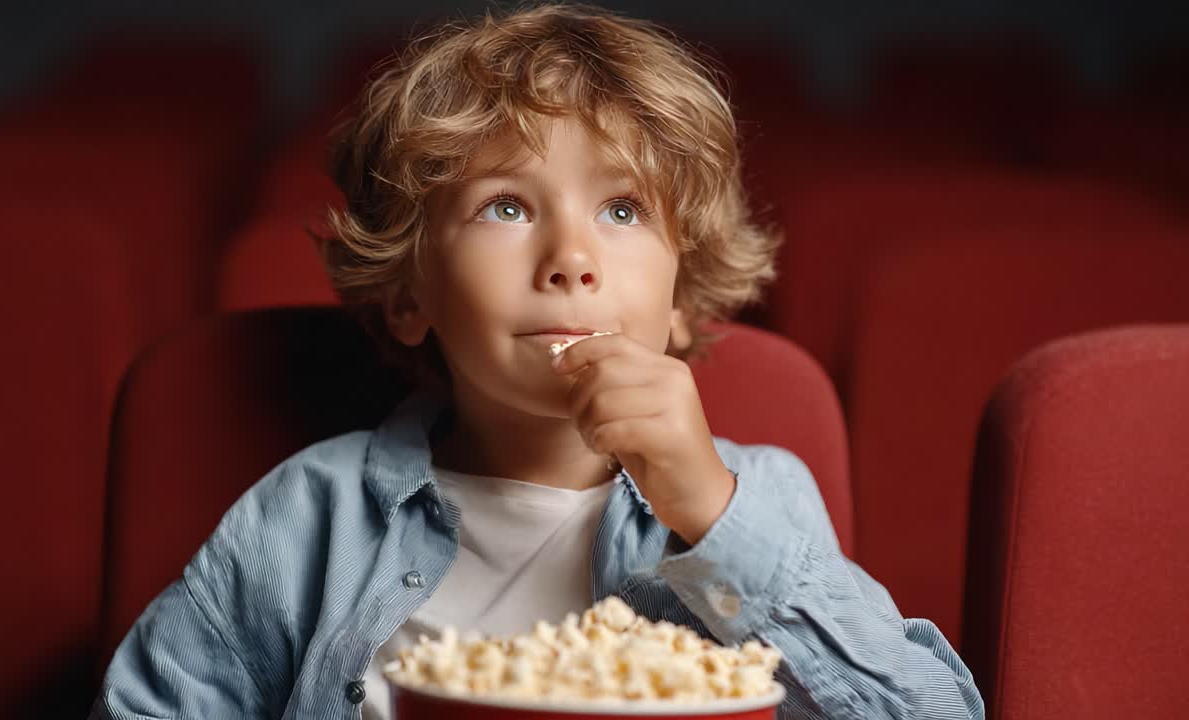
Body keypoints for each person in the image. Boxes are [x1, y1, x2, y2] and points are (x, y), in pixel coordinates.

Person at [91, 4, 984, 718]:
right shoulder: (306, 520)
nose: (571, 256)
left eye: (624, 210)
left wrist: (711, 515)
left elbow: (932, 713)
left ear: (680, 303)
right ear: (410, 296)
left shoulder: (756, 501)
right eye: (507, 208)